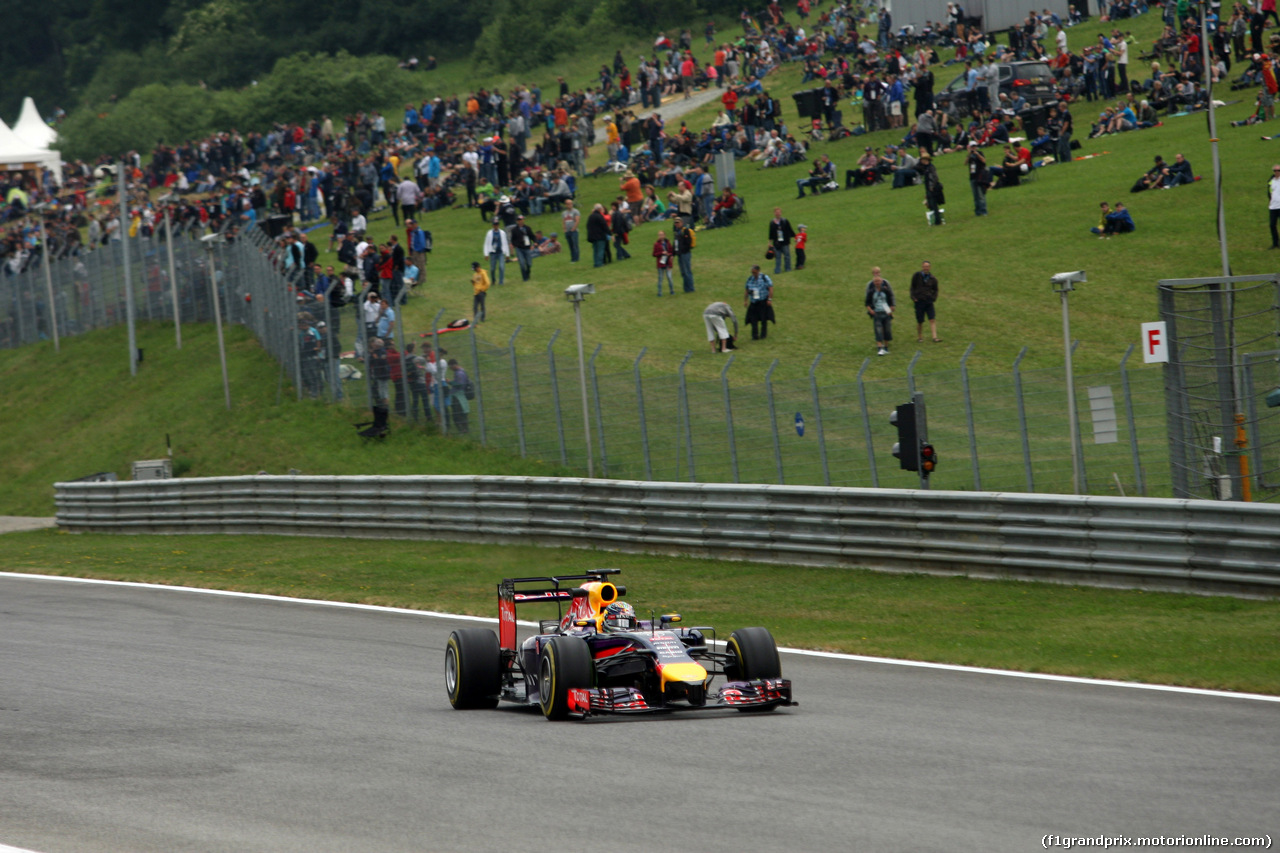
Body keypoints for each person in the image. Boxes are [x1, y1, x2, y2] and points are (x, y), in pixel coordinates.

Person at [864, 267, 895, 356]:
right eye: (875, 272)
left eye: (878, 272)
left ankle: (886, 347)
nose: (877, 274)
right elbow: (867, 301)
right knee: (878, 329)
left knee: (887, 329)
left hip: (885, 310)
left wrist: (891, 308)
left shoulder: (886, 286)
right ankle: (880, 347)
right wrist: (870, 310)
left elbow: (890, 297)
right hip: (876, 311)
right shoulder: (870, 288)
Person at [910, 261, 941, 343]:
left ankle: (934, 337)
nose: (926, 268)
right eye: (924, 266)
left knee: (932, 319)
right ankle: (920, 337)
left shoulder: (932, 279)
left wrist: (933, 298)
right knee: (920, 321)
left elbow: (936, 290)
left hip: (929, 301)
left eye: (927, 266)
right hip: (919, 301)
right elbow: (912, 287)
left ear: (929, 268)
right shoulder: (917, 276)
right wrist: (913, 298)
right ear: (922, 267)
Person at [744, 264, 775, 340]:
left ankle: (763, 335)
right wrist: (745, 300)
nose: (753, 274)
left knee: (763, 319)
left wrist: (769, 299)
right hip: (754, 302)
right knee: (753, 319)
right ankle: (755, 335)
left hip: (762, 301)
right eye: (752, 272)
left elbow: (770, 288)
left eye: (754, 272)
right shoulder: (750, 279)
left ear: (758, 271)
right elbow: (746, 290)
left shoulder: (765, 278)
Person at [767, 207, 796, 274]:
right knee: (778, 257)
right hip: (777, 242)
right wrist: (770, 242)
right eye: (776, 212)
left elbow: (789, 229)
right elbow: (771, 233)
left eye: (779, 212)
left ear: (781, 213)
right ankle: (777, 270)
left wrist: (794, 236)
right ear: (774, 213)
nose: (778, 213)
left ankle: (788, 268)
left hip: (785, 241)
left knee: (787, 256)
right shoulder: (772, 223)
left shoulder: (785, 221)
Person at [920, 152, 945, 225]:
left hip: (933, 189)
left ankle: (938, 221)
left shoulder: (931, 167)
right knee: (930, 205)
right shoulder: (926, 168)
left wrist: (932, 187)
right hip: (928, 188)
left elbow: (935, 177)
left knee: (934, 205)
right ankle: (934, 219)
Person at [483, 218, 510, 285]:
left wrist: (507, 254)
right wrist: (486, 254)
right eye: (495, 224)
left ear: (498, 225)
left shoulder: (502, 233)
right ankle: (493, 280)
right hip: (493, 253)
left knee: (501, 266)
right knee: (492, 268)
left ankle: (501, 281)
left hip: (500, 252)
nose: (496, 226)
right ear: (493, 225)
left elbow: (505, 243)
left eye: (497, 224)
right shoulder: (489, 233)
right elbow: (486, 243)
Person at [510, 214, 537, 281]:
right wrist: (515, 245)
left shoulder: (527, 228)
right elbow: (512, 239)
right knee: (522, 263)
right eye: (519, 220)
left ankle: (528, 272)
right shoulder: (514, 230)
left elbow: (532, 236)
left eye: (521, 220)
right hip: (519, 249)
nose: (520, 221)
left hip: (527, 248)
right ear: (517, 221)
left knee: (529, 263)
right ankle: (524, 278)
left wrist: (535, 242)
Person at [448, 359, 471, 434]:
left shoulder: (459, 373)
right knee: (461, 413)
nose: (450, 369)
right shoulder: (461, 372)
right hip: (459, 396)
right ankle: (464, 429)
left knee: (458, 414)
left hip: (458, 396)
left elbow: (459, 385)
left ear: (453, 365)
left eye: (450, 367)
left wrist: (450, 382)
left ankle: (462, 430)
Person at [966, 141, 989, 216]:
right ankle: (978, 211)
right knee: (975, 196)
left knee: (981, 195)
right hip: (972, 177)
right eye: (972, 147)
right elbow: (965, 163)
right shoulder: (970, 156)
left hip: (980, 177)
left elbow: (984, 160)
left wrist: (977, 154)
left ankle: (983, 210)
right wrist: (969, 154)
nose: (973, 148)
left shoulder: (980, 153)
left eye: (974, 146)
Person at [674, 218, 696, 292]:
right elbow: (675, 244)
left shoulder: (685, 231)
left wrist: (683, 250)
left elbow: (688, 243)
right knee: (683, 272)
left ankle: (691, 288)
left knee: (687, 271)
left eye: (678, 222)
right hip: (680, 254)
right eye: (676, 223)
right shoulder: (677, 232)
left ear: (682, 222)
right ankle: (686, 289)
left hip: (685, 254)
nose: (677, 224)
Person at [587, 203, 610, 267]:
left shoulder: (591, 216)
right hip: (600, 236)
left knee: (595, 250)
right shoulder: (600, 216)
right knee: (600, 250)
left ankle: (596, 263)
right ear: (599, 209)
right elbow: (604, 226)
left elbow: (588, 226)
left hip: (593, 237)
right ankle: (599, 263)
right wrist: (609, 233)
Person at [653, 230, 675, 296]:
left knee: (669, 277)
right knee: (660, 278)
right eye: (659, 235)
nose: (661, 236)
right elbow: (654, 254)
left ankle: (672, 291)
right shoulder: (656, 244)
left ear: (664, 235)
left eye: (662, 234)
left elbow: (671, 251)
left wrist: (670, 255)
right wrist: (661, 253)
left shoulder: (667, 243)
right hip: (661, 263)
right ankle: (659, 292)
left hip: (668, 262)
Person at [1269, 164, 1280, 249]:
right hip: (1273, 207)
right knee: (1272, 225)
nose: (1277, 172)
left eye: (1278, 170)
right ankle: (1275, 243)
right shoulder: (1271, 181)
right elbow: (1269, 192)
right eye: (1275, 170)